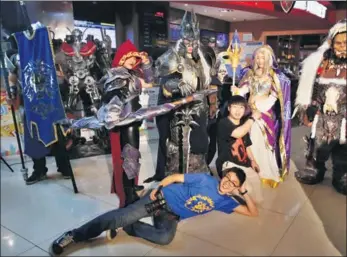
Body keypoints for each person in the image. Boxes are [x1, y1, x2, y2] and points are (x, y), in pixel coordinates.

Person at [50, 167, 258, 256]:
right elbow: (175, 177)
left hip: (170, 216)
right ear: (222, 176)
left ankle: (130, 226)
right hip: (159, 198)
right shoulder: (206, 180)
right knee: (118, 217)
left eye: (233, 183)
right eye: (227, 178)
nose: (227, 184)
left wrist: (245, 192)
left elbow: (252, 213)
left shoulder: (225, 201)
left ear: (236, 187)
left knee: (165, 238)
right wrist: (158, 188)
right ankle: (73, 235)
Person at [145, 11, 212, 182]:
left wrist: (211, 102)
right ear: (182, 39)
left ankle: (196, 174)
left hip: (198, 107)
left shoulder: (202, 58)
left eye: (193, 41)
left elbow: (207, 81)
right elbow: (164, 82)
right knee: (171, 144)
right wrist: (178, 84)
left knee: (199, 142)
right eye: (188, 41)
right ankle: (168, 175)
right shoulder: (173, 56)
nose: (190, 45)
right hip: (176, 108)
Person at [5, 23, 71, 184]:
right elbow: (12, 76)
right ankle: (39, 170)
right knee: (34, 136)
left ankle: (64, 166)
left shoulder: (45, 49)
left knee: (57, 135)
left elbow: (58, 73)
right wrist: (12, 90)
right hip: (30, 102)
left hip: (50, 99)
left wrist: (61, 82)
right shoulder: (15, 55)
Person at [294, 19, 346, 195]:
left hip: (344, 117)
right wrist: (309, 109)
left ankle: (341, 176)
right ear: (331, 43)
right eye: (339, 42)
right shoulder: (320, 63)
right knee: (317, 147)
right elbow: (312, 88)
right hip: (322, 115)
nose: (342, 46)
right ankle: (315, 171)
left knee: (343, 149)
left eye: (346, 42)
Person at [104, 40, 154, 207]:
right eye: (129, 58)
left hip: (134, 118)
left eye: (134, 58)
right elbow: (112, 100)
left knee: (133, 155)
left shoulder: (133, 73)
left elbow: (150, 81)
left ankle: (131, 187)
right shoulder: (116, 73)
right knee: (130, 157)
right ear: (121, 58)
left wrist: (146, 63)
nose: (132, 61)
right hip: (125, 121)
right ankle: (128, 194)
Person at [233, 45, 291, 188]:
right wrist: (238, 91)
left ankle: (265, 172)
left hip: (264, 115)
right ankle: (250, 170)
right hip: (249, 113)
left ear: (268, 59)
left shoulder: (274, 77)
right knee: (248, 142)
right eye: (258, 57)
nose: (260, 60)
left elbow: (274, 96)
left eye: (263, 57)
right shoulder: (250, 74)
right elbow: (245, 90)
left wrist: (260, 107)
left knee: (260, 142)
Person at [216, 95, 264, 203]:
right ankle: (229, 192)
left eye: (241, 107)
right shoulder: (223, 123)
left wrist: (253, 161)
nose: (238, 111)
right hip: (228, 163)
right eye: (235, 107)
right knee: (246, 190)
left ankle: (249, 201)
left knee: (256, 182)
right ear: (229, 108)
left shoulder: (243, 124)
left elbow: (246, 145)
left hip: (243, 163)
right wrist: (252, 118)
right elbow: (238, 133)